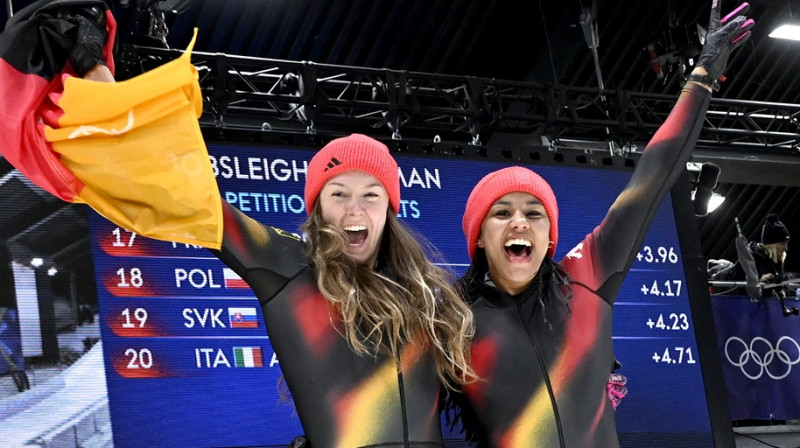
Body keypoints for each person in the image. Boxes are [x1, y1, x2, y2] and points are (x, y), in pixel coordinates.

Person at [1, 3, 480, 447]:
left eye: (371, 195)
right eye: (339, 194)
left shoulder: (427, 295)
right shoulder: (288, 265)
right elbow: (173, 186)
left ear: (389, 209)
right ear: (317, 208)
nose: (355, 210)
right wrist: (93, 70)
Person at [444, 2, 755, 447]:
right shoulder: (450, 321)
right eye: (501, 212)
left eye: (534, 213)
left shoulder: (585, 275)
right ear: (478, 237)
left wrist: (701, 76)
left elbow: (654, 176)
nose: (519, 222)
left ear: (550, 237)